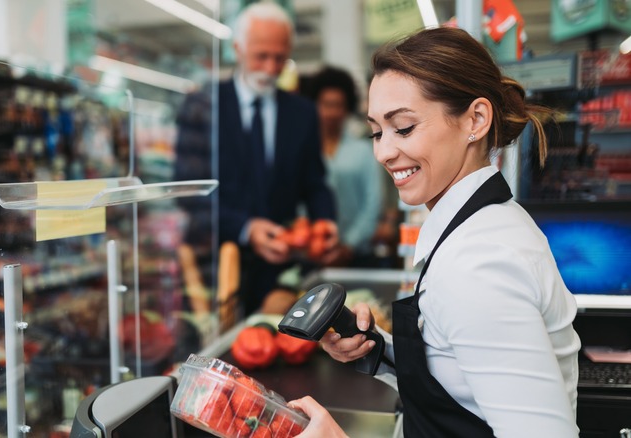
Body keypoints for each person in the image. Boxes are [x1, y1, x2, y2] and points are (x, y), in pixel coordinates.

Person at [289, 27, 581, 437]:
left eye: (403, 128)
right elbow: (462, 384)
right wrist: (374, 350)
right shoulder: (478, 225)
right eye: (376, 131)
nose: (384, 152)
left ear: (475, 120)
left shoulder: (477, 266)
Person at [216, 2, 338, 315]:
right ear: (237, 49)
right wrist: (246, 228)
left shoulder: (302, 113)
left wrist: (325, 220)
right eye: (261, 56)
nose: (271, 69)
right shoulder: (205, 107)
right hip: (217, 273)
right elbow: (191, 194)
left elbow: (314, 183)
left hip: (283, 273)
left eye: (280, 58)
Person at [303, 66, 385, 267]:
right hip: (310, 255)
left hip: (357, 257)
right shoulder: (303, 151)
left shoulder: (363, 150)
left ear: (347, 107)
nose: (331, 112)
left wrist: (348, 245)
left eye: (338, 105)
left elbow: (372, 203)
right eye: (325, 104)